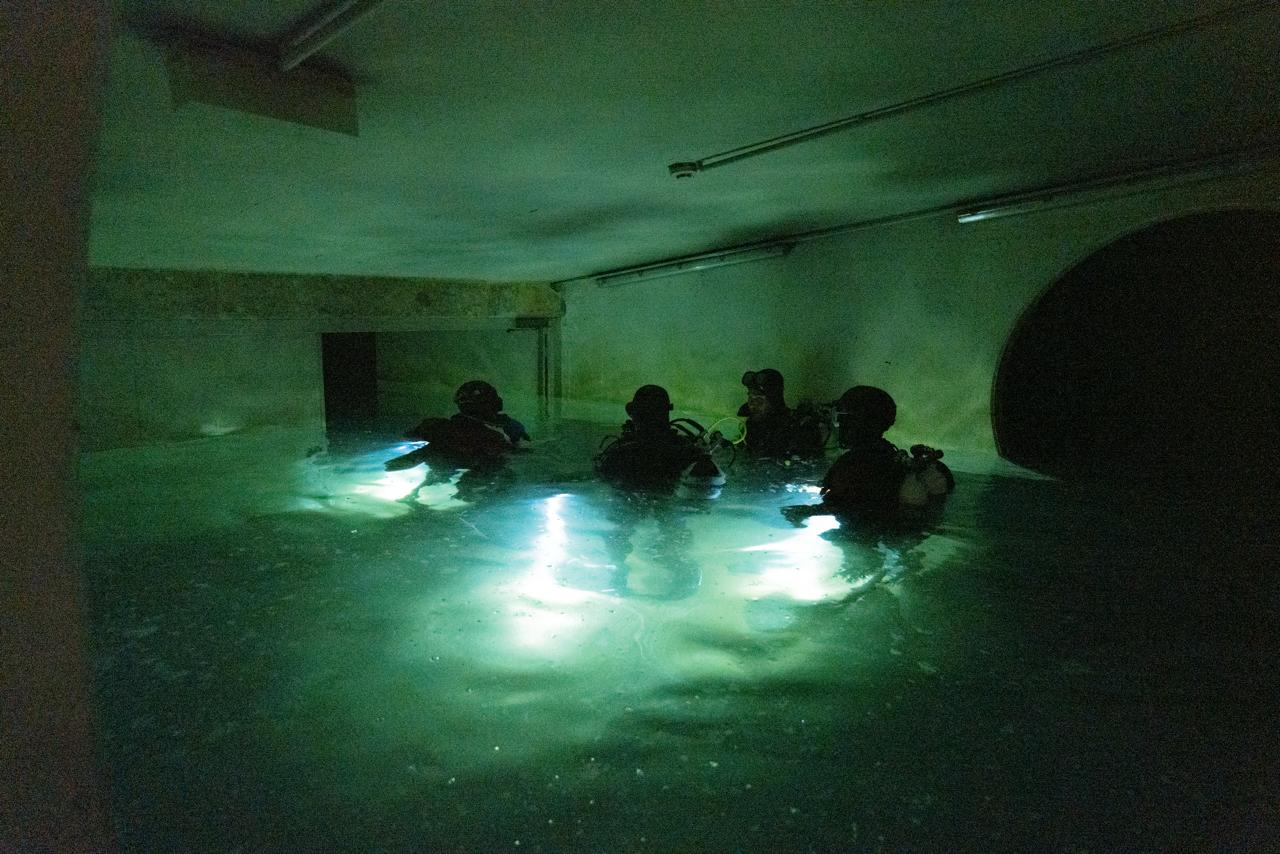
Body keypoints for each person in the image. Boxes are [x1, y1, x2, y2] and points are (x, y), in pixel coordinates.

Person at [788, 385, 953, 523]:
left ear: (856, 422)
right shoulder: (889, 453)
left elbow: (843, 505)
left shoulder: (853, 463)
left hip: (865, 534)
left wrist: (804, 512)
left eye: (841, 418)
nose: (839, 425)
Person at [386, 379, 528, 472]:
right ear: (495, 405)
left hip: (436, 457)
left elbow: (408, 435)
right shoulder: (493, 437)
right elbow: (516, 452)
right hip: (474, 465)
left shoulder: (436, 426)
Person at [594, 384, 718, 490]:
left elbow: (601, 478)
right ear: (666, 412)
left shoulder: (620, 453)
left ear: (635, 414)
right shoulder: (687, 451)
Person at [737, 368, 826, 460]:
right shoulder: (751, 426)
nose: (752, 405)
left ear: (774, 400)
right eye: (750, 398)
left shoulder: (799, 427)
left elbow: (816, 463)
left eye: (759, 399)